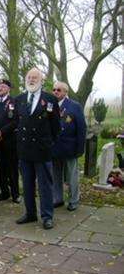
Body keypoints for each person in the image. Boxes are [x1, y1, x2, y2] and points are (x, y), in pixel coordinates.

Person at [15, 67, 60, 230]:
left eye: (35, 78)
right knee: (27, 184)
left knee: (45, 185)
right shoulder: (19, 99)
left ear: (41, 81)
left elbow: (56, 127)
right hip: (25, 150)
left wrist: (48, 143)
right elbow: (16, 124)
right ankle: (30, 213)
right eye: (29, 78)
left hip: (42, 150)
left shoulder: (50, 99)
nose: (31, 80)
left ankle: (47, 216)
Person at [52, 81, 86, 211]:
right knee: (56, 176)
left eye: (59, 90)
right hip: (54, 148)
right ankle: (58, 198)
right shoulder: (50, 106)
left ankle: (73, 200)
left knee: (72, 176)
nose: (55, 92)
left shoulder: (74, 106)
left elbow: (81, 128)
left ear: (66, 92)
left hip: (69, 148)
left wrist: (80, 148)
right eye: (54, 90)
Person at [0, 78, 20, 203]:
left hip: (10, 141)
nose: (1, 88)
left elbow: (16, 121)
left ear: (9, 89)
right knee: (0, 168)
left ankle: (15, 194)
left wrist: (2, 131)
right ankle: (4, 192)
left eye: (3, 86)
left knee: (12, 168)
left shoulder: (14, 102)